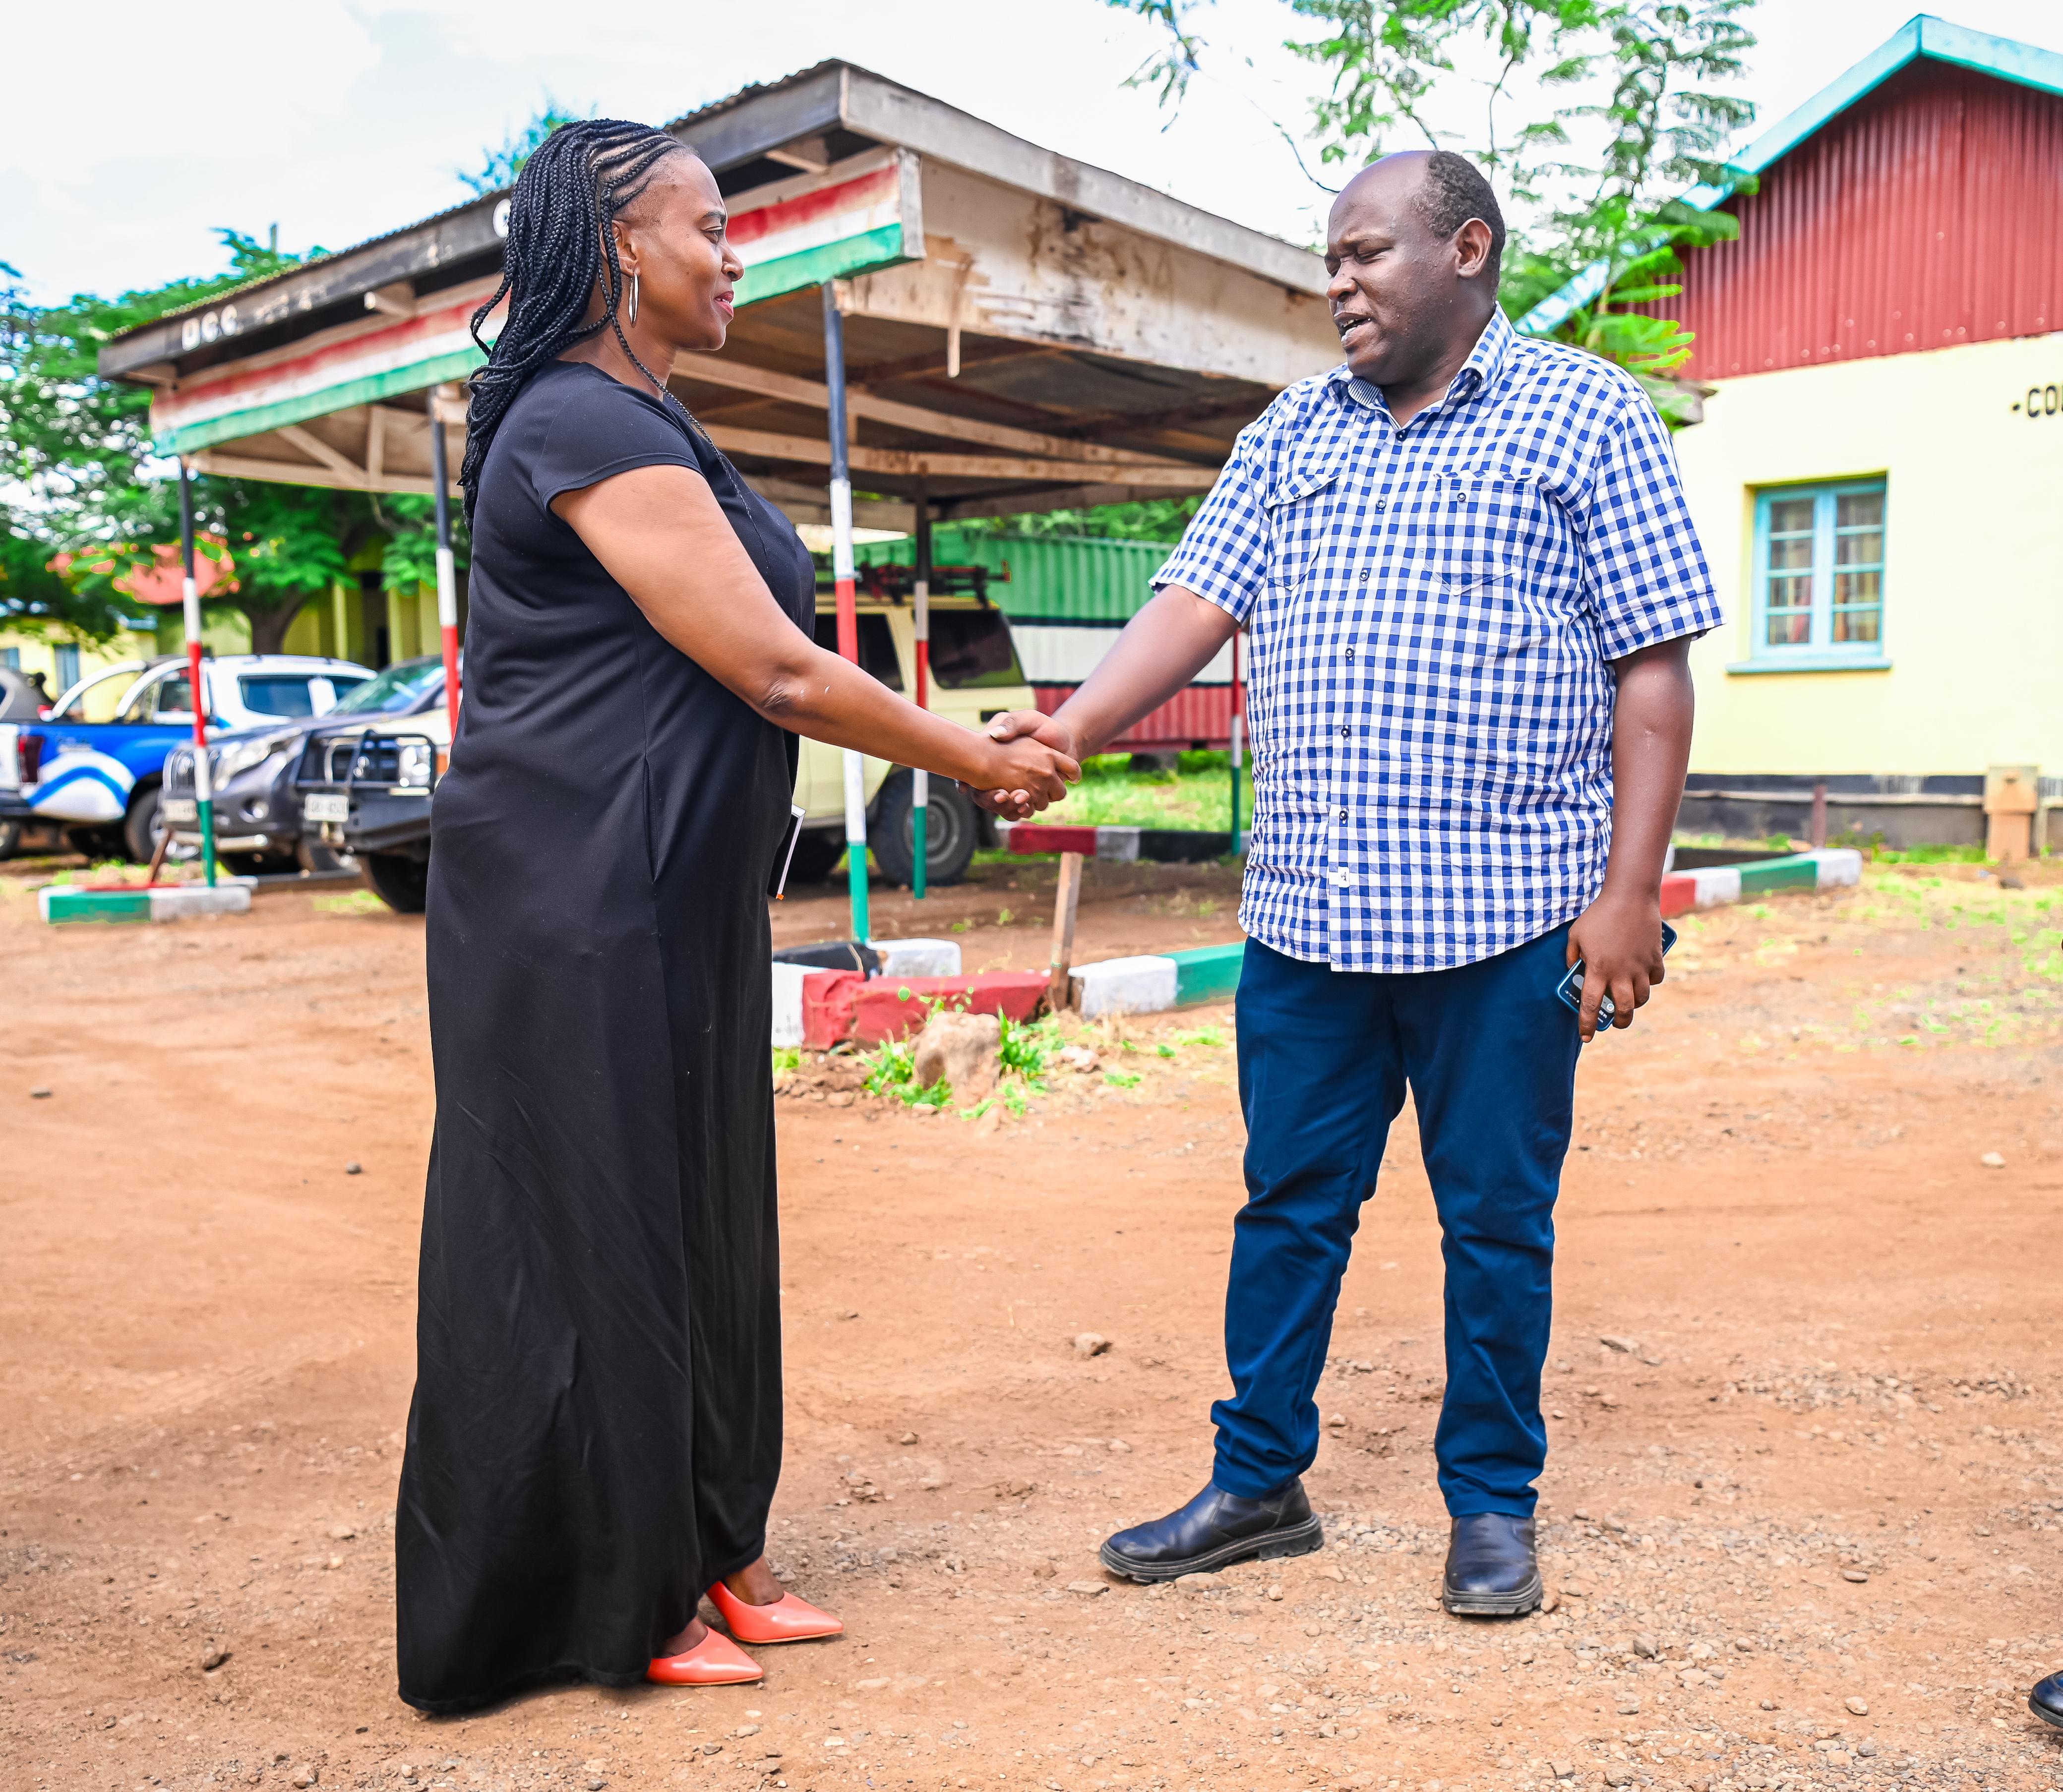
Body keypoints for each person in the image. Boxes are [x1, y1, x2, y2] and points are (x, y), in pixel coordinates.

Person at [395, 119, 1077, 1713]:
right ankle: (613, 1591)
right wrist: (972, 748)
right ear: (624, 245)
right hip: (572, 899)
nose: (734, 252)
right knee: (599, 1229)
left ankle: (713, 1543)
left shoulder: (654, 420)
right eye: (711, 226)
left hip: (667, 891)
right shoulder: (574, 420)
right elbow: (770, 664)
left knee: (702, 1216)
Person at [982, 149, 1718, 1615]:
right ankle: (1259, 1479)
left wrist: (1630, 893)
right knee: (1290, 1203)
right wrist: (1067, 727)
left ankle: (1493, 1502)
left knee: (1496, 1219)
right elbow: (1193, 603)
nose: (1339, 284)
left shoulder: (1586, 414)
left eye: (1367, 253)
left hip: (1507, 919)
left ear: (1467, 249)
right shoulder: (1291, 431)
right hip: (1311, 918)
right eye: (1331, 259)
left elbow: (1654, 668)